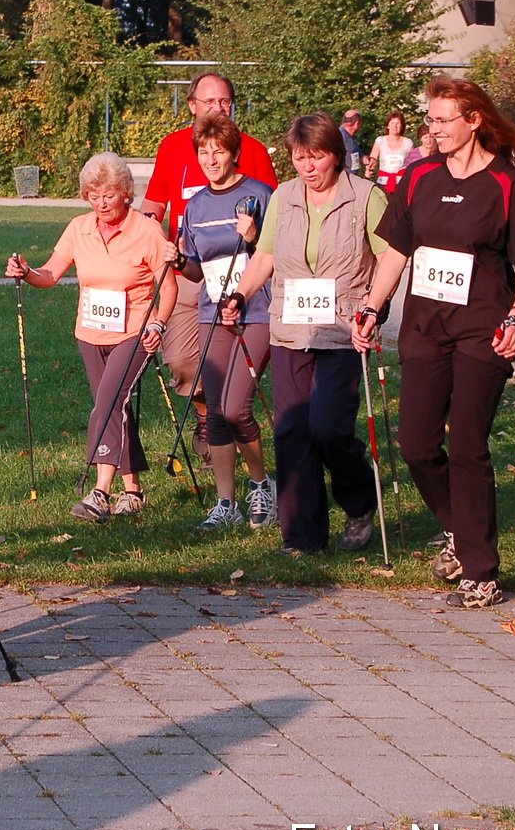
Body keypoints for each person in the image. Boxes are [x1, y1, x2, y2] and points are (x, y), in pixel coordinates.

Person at [354, 78, 515, 609]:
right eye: (431, 119)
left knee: (467, 443)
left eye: (443, 120)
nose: (433, 129)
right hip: (425, 326)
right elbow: (396, 253)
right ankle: (460, 534)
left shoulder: (505, 183)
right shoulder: (418, 176)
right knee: (418, 444)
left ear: (474, 121)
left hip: (483, 327)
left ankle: (482, 569)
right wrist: (374, 307)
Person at [222, 112, 384, 556]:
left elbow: (390, 258)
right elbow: (265, 256)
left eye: (317, 157)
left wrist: (377, 309)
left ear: (336, 155)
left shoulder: (366, 197)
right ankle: (302, 537)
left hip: (342, 329)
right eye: (300, 158)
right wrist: (239, 294)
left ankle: (360, 499)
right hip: (291, 328)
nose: (308, 167)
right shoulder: (285, 197)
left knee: (328, 427)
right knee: (293, 430)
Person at [8, 153, 176, 523]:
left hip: (134, 332)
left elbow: (169, 286)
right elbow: (50, 274)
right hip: (90, 333)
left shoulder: (146, 230)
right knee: (115, 406)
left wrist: (157, 325)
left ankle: (100, 492)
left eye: (110, 196)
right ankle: (133, 492)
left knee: (108, 402)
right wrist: (25, 271)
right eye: (94, 195)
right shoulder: (79, 228)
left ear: (127, 194)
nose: (101, 204)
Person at [140, 72, 278, 459]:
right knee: (184, 360)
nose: (218, 108)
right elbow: (154, 203)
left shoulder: (252, 149)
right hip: (192, 267)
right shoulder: (171, 147)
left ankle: (234, 425)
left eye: (225, 101)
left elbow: (275, 212)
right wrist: (148, 233)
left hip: (246, 272)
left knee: (235, 374)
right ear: (192, 107)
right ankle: (207, 415)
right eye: (209, 102)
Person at [170, 115, 276, 530]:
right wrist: (178, 260)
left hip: (257, 313)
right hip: (211, 314)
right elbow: (196, 272)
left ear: (234, 153)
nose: (211, 158)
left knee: (236, 407)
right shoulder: (195, 206)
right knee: (214, 410)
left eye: (219, 150)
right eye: (203, 151)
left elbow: (275, 257)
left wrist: (252, 238)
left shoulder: (259, 195)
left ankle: (261, 484)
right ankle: (226, 503)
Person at [367, 111, 414, 192]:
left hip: (402, 183)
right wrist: (369, 168)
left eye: (398, 123)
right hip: (383, 182)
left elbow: (413, 162)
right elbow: (373, 159)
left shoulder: (408, 143)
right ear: (388, 125)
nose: (395, 126)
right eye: (392, 123)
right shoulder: (380, 141)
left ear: (402, 126)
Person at [339, 110, 364, 175]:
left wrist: (367, 160)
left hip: (352, 178)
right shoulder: (340, 136)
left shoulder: (351, 137)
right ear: (357, 123)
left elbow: (356, 156)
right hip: (343, 179)